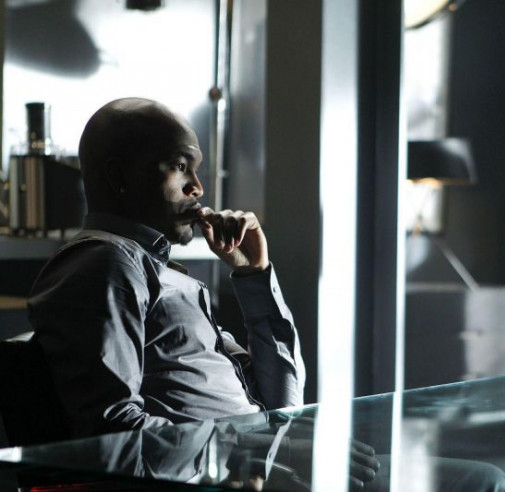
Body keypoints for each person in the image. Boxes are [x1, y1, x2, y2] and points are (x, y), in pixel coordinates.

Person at [28, 97, 306, 438]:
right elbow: (115, 429)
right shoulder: (107, 265)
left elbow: (284, 406)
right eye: (179, 166)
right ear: (118, 176)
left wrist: (254, 274)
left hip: (257, 462)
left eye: (195, 169)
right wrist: (244, 450)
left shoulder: (159, 273)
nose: (198, 187)